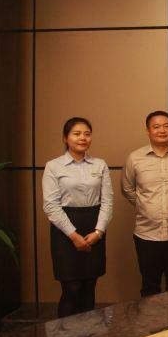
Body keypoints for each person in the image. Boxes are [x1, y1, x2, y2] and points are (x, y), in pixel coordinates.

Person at [42, 117, 113, 317]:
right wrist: (73, 236)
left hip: (94, 227)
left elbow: (107, 201)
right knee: (71, 289)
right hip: (65, 231)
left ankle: (87, 336)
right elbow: (51, 206)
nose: (83, 138)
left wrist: (98, 232)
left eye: (87, 134)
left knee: (89, 287)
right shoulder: (53, 166)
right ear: (65, 138)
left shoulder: (100, 165)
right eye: (77, 134)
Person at [121, 111, 168, 297]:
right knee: (150, 287)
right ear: (148, 131)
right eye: (156, 126)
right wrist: (144, 206)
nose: (162, 130)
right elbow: (127, 188)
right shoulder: (135, 158)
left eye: (167, 126)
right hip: (147, 235)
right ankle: (150, 318)